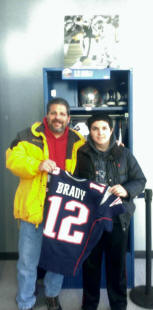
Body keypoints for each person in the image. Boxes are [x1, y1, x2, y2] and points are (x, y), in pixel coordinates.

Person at [6, 97, 86, 310]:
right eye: (53, 113)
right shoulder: (27, 135)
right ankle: (25, 302)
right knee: (27, 262)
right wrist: (37, 164)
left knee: (58, 261)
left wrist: (116, 145)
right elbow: (12, 160)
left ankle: (52, 295)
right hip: (33, 209)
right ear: (47, 115)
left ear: (68, 118)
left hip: (64, 211)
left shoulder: (79, 140)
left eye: (62, 114)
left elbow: (96, 158)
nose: (57, 117)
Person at [74, 114, 146, 310]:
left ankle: (118, 304)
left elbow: (140, 180)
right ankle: (89, 304)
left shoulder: (125, 154)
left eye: (104, 128)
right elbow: (76, 182)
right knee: (91, 265)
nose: (100, 132)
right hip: (92, 220)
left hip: (117, 218)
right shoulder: (81, 153)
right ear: (90, 131)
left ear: (111, 130)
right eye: (95, 128)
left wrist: (126, 190)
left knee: (116, 265)